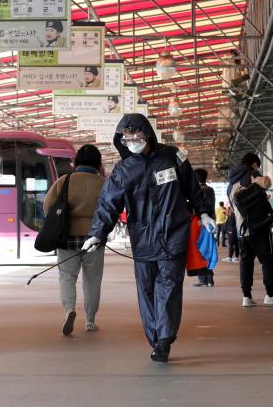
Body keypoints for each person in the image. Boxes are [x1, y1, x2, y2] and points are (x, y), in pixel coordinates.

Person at [82, 113, 215, 363]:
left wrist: (204, 212)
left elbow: (192, 187)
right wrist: (97, 234)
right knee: (146, 291)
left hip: (173, 234)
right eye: (127, 137)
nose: (132, 141)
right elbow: (108, 204)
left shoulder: (173, 156)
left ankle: (164, 340)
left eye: (137, 136)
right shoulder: (122, 170)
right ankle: (155, 339)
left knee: (169, 287)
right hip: (142, 239)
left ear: (148, 134)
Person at [43, 144, 106, 335]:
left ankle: (70, 309)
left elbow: (47, 206)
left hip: (67, 238)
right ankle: (90, 320)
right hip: (94, 239)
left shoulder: (65, 181)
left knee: (67, 277)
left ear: (76, 161)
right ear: (98, 163)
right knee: (92, 280)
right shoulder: (103, 183)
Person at [227, 152, 273, 307]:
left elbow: (235, 208)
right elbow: (267, 183)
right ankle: (270, 295)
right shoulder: (251, 174)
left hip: (242, 230)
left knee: (246, 262)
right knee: (267, 260)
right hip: (258, 227)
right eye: (257, 165)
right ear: (254, 164)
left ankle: (246, 297)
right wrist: (260, 177)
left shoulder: (230, 185)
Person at [193, 168, 216, 287]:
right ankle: (209, 277)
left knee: (200, 250)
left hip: (200, 223)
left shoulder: (199, 191)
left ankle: (204, 278)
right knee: (207, 249)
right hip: (209, 223)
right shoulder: (210, 190)